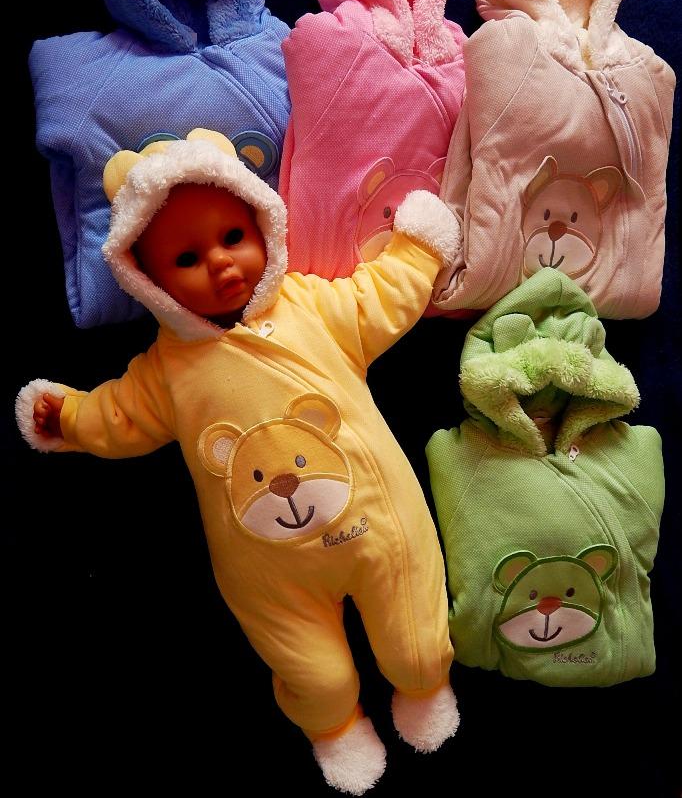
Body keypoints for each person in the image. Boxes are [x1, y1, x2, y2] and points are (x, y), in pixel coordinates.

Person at [18, 129, 461, 796]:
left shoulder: (313, 307)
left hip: (379, 524)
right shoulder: (167, 371)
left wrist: (418, 249)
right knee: (316, 680)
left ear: (264, 226)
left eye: (232, 237)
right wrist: (71, 418)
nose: (221, 264)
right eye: (187, 257)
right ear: (148, 280)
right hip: (269, 576)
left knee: (418, 648)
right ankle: (334, 725)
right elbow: (119, 416)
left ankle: (425, 685)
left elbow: (381, 296)